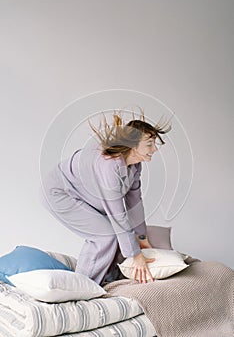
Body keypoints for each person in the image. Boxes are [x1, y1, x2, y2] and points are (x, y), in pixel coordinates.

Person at [40, 108, 171, 285]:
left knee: (119, 235)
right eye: (149, 144)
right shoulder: (109, 166)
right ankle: (81, 288)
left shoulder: (135, 165)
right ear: (133, 146)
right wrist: (135, 255)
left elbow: (134, 202)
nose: (155, 149)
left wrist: (141, 238)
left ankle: (107, 281)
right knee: (105, 236)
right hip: (59, 192)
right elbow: (118, 215)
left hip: (83, 194)